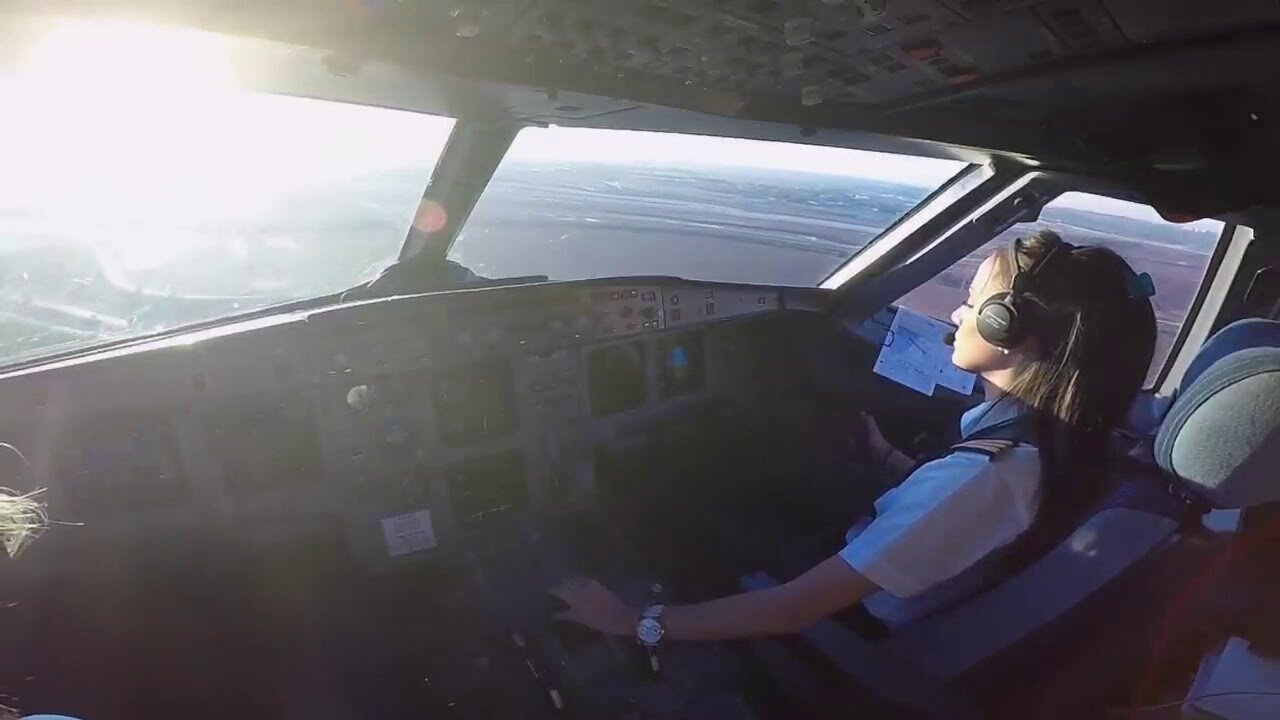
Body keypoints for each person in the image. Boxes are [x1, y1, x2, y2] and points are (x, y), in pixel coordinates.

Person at [550, 230, 1157, 642]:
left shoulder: (985, 474)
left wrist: (632, 621)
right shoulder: (1055, 441)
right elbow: (958, 528)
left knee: (681, 499)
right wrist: (890, 458)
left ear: (1008, 330)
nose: (956, 316)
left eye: (972, 305)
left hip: (846, 628)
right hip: (896, 583)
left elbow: (792, 609)